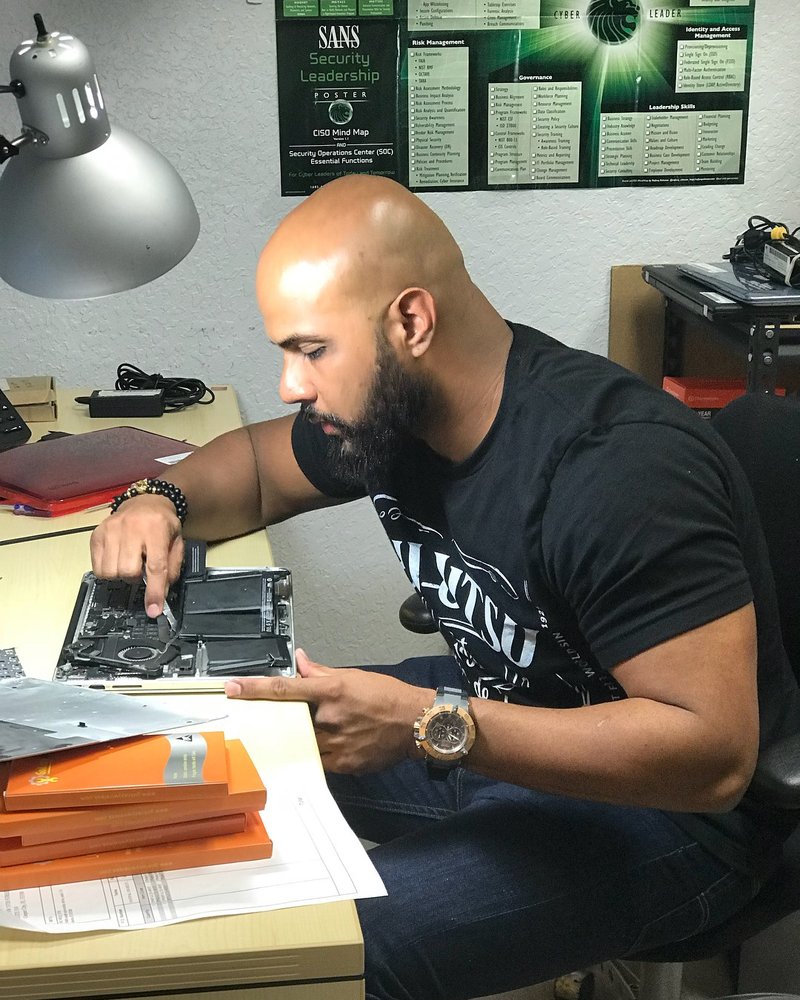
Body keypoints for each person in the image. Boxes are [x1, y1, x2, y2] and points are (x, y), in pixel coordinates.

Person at [91, 174, 800, 1000]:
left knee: (318, 955)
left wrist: (428, 722)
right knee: (206, 746)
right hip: (501, 715)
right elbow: (253, 469)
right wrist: (157, 499)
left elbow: (711, 759)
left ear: (411, 322)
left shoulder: (616, 469)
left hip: (678, 818)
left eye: (312, 350)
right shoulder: (393, 412)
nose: (291, 384)